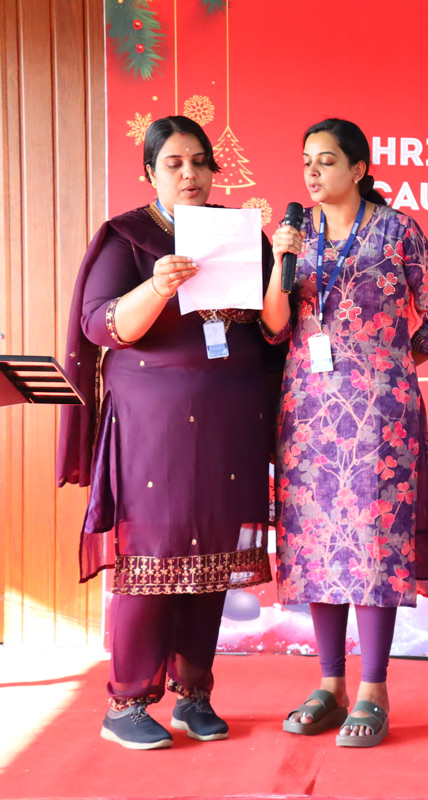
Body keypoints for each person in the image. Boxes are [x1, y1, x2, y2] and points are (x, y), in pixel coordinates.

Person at [56, 115, 276, 749]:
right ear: (150, 172)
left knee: (212, 559)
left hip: (230, 422)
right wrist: (157, 287)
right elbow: (101, 325)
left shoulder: (241, 235)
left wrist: (284, 265)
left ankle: (193, 694)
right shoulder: (127, 237)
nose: (190, 174)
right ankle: (125, 703)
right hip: (154, 427)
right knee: (152, 557)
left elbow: (271, 325)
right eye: (174, 163)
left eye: (200, 162)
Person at [263, 118, 428, 748]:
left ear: (359, 168)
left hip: (380, 414)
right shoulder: (296, 237)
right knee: (318, 544)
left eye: (326, 160)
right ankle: (329, 685)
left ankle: (373, 689)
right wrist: (279, 259)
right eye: (306, 161)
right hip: (308, 411)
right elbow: (273, 327)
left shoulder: (398, 231)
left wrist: (390, 363)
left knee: (374, 544)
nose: (312, 172)